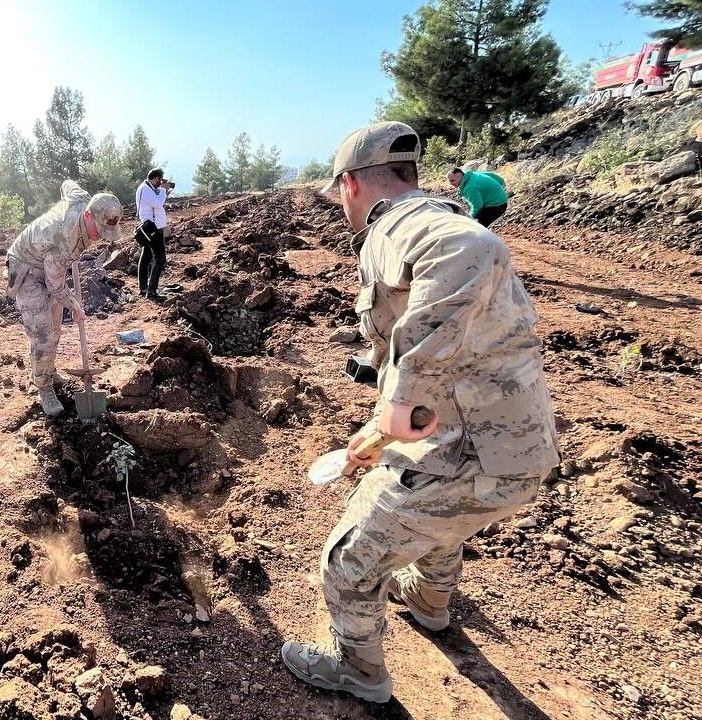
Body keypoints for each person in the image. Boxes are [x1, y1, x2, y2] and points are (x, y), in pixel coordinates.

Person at [281, 121, 559, 703]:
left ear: (353, 183)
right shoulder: (432, 213)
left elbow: (471, 250)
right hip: (514, 452)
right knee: (439, 518)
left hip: (465, 451)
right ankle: (430, 605)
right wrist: (386, 400)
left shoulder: (403, 224)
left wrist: (401, 398)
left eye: (338, 189)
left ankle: (359, 673)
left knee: (348, 560)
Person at [4, 180, 122, 416]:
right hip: (27, 269)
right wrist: (76, 307)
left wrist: (64, 206)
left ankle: (47, 369)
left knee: (56, 328)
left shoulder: (81, 198)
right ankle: (44, 387)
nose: (100, 237)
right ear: (88, 216)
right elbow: (56, 286)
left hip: (50, 266)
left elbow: (68, 184)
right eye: (99, 231)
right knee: (43, 334)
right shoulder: (62, 241)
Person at [135, 168, 172, 302]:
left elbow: (155, 203)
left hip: (152, 226)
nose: (160, 184)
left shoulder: (147, 188)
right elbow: (158, 203)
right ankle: (151, 291)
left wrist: (163, 191)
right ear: (156, 178)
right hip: (153, 228)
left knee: (146, 256)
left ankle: (144, 288)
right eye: (160, 181)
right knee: (160, 258)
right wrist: (163, 191)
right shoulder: (145, 189)